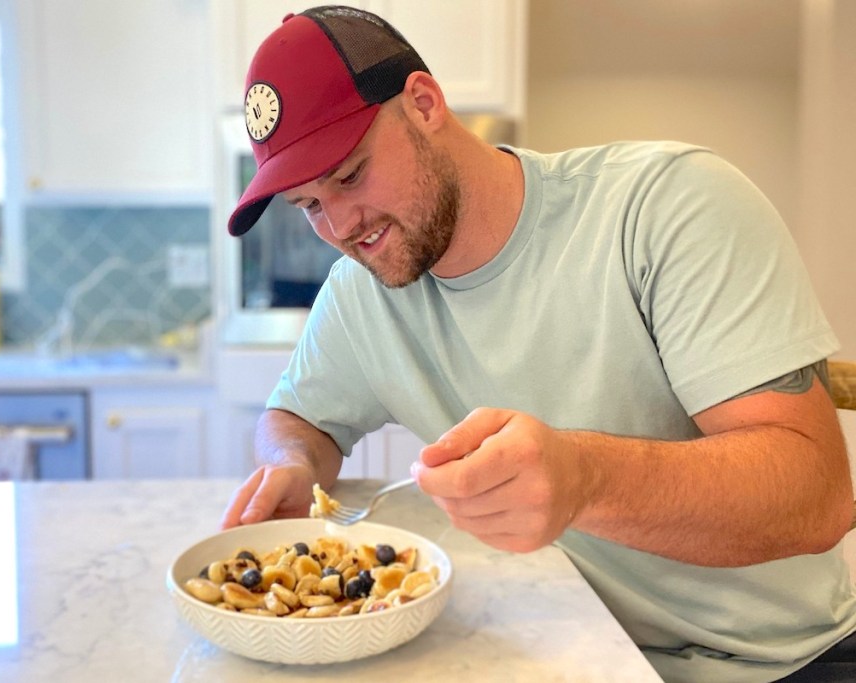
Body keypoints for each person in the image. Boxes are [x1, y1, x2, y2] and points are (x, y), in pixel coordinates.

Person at [218, 6, 855, 682]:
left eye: (349, 175)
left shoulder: (666, 207)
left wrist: (584, 478)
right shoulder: (361, 292)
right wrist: (290, 461)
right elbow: (296, 418)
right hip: (562, 654)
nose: (341, 224)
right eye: (309, 205)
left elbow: (816, 495)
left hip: (776, 664)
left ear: (425, 103)